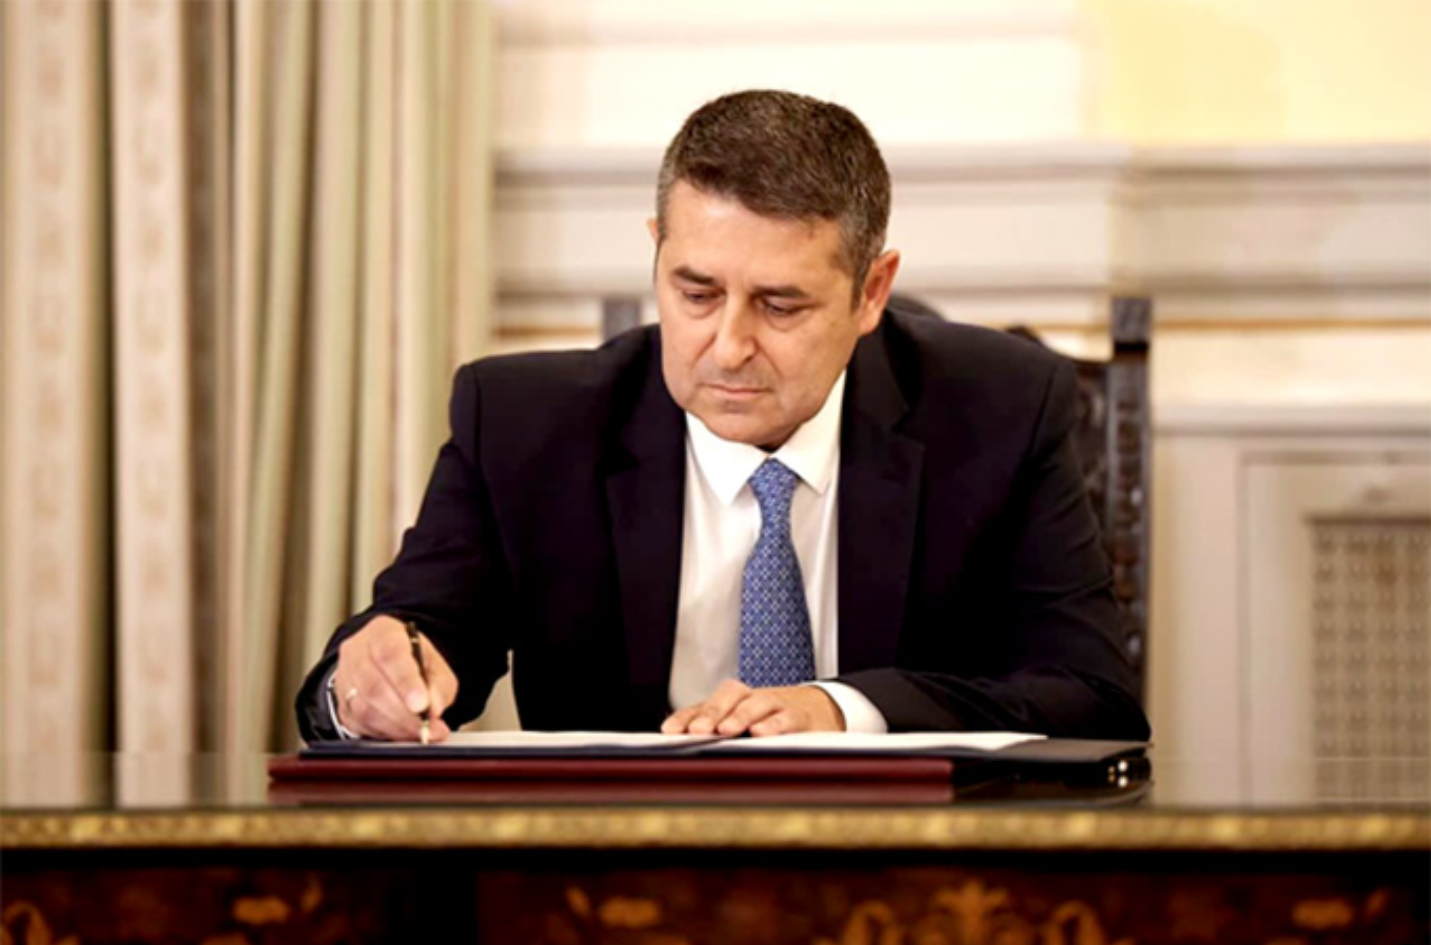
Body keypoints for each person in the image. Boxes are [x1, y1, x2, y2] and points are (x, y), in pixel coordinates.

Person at [296, 89, 1149, 743]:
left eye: (780, 305)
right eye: (696, 293)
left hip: (902, 870)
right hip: (609, 876)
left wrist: (841, 709)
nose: (729, 346)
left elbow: (1091, 696)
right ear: (656, 252)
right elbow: (414, 640)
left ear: (870, 292)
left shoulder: (1001, 410)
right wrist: (366, 685)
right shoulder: (525, 425)